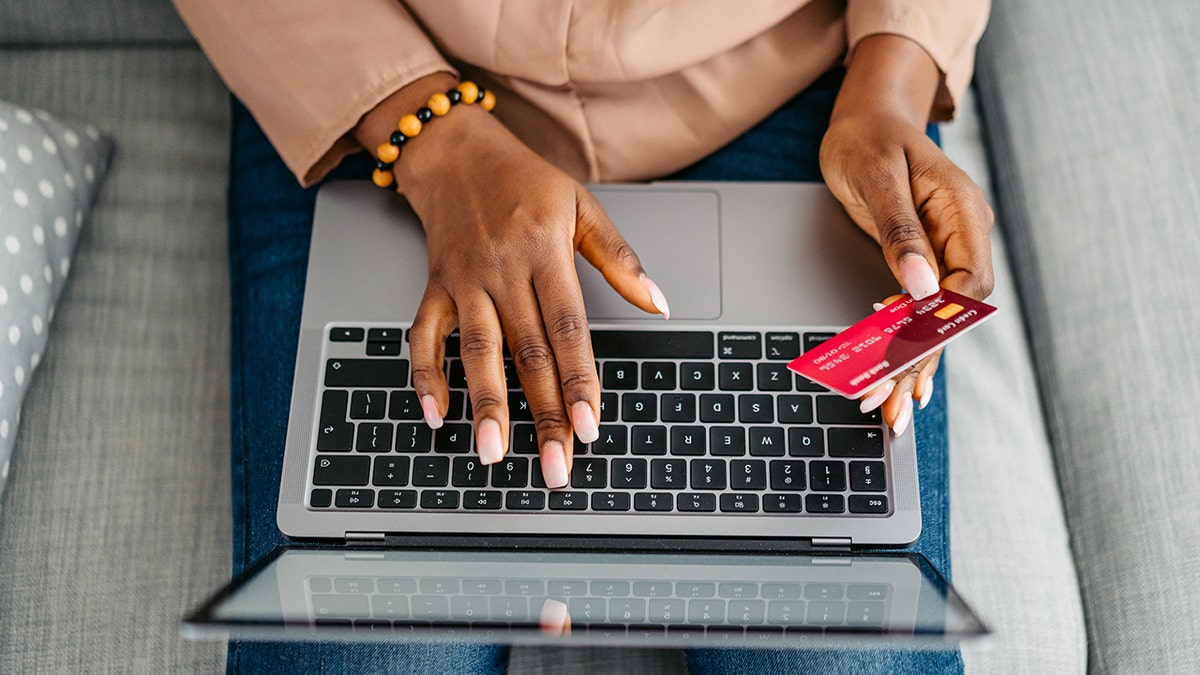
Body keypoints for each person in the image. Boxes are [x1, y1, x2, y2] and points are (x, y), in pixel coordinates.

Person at [174, 1, 993, 673]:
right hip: (386, 78)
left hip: (786, 86)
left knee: (844, 657)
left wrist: (891, 79)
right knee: (370, 653)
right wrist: (429, 133)